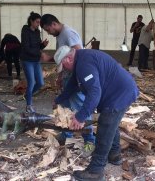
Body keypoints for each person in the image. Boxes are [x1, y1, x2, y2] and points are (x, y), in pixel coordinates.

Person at [53, 46, 139, 181]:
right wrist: (58, 100)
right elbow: (72, 85)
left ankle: (96, 171)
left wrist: (80, 116)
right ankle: (114, 155)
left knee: (105, 127)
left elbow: (94, 92)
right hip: (119, 91)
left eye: (63, 65)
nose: (63, 69)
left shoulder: (84, 64)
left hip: (120, 94)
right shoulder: (80, 60)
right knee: (112, 126)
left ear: (68, 59)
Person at [40, 14, 95, 156]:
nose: (48, 33)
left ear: (53, 24)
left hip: (74, 76)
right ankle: (66, 135)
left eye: (48, 29)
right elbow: (63, 57)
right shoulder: (60, 35)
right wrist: (60, 75)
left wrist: (73, 76)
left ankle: (90, 140)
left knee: (80, 106)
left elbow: (77, 53)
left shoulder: (67, 33)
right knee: (65, 107)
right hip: (67, 75)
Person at [20, 12, 48, 113]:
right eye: (37, 22)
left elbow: (37, 46)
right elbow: (26, 48)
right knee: (31, 82)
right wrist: (40, 54)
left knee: (40, 83)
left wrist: (43, 45)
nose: (38, 24)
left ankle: (28, 95)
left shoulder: (37, 32)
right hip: (27, 60)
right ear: (31, 21)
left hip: (36, 60)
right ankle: (29, 105)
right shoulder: (25, 31)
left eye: (39, 23)